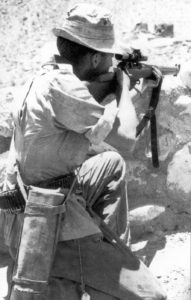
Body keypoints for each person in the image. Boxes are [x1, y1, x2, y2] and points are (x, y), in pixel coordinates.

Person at [1, 3, 167, 300]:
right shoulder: (63, 87)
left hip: (24, 204)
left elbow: (97, 132)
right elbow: (127, 138)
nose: (110, 65)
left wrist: (116, 89)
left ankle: (107, 249)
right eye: (107, 59)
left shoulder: (43, 78)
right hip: (49, 219)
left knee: (110, 165)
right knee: (151, 296)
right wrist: (124, 86)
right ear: (92, 58)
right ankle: (91, 268)